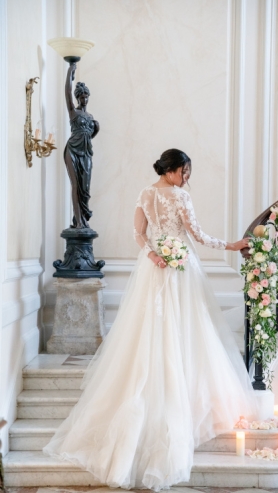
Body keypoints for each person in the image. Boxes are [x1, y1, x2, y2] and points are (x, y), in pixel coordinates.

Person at [44, 149, 257, 491]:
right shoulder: (179, 197)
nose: (186, 178)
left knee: (163, 328)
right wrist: (231, 246)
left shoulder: (145, 193)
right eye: (184, 171)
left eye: (187, 173)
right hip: (179, 269)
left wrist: (154, 254)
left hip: (154, 268)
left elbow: (139, 235)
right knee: (180, 329)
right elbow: (197, 236)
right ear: (171, 169)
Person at [64, 63, 100, 228]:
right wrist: (70, 72)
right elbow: (67, 94)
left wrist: (96, 127)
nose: (84, 98)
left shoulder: (91, 116)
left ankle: (82, 218)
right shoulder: (73, 112)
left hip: (86, 152)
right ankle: (78, 221)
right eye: (81, 96)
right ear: (78, 97)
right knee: (75, 184)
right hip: (72, 149)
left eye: (86, 96)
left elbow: (91, 134)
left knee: (85, 188)